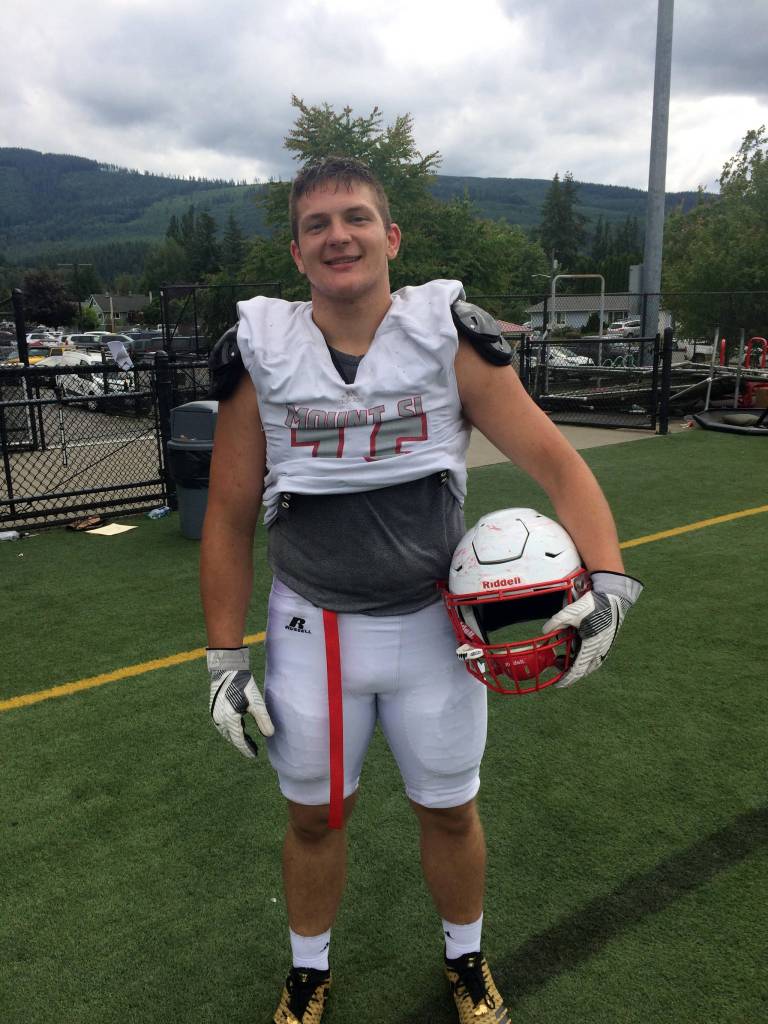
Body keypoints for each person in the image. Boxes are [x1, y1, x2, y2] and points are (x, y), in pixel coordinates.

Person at [200, 156, 642, 1024]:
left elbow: (555, 460)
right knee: (316, 819)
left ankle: (466, 958)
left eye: (356, 217)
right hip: (312, 626)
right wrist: (223, 656)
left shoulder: (446, 335)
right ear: (296, 253)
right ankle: (308, 969)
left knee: (449, 811)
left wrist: (614, 582)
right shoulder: (263, 352)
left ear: (390, 236)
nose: (340, 236)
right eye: (319, 224)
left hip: (435, 626)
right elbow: (226, 515)